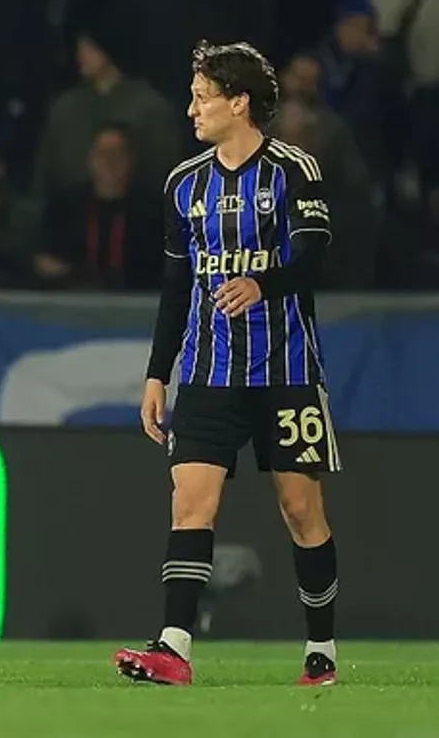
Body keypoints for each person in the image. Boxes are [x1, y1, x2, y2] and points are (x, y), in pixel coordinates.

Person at [115, 41, 341, 687]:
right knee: (190, 504)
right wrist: (157, 373)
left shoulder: (293, 170)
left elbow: (313, 256)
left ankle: (320, 648)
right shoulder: (183, 184)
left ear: (238, 103)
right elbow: (175, 287)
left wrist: (261, 285)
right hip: (207, 373)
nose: (191, 109)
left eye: (201, 97)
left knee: (301, 510)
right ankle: (173, 648)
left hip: (286, 372)